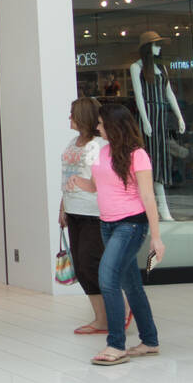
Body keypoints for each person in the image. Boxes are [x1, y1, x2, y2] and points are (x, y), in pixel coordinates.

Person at [72, 103, 164, 365]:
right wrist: (79, 183)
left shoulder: (138, 155)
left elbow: (148, 196)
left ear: (114, 125)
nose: (98, 127)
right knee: (131, 286)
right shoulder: (102, 152)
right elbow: (97, 186)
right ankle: (149, 341)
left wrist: (156, 238)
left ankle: (116, 345)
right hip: (107, 224)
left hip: (131, 225)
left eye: (101, 123)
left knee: (107, 278)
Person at [59, 97, 129, 335]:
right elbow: (69, 175)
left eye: (72, 113)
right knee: (81, 267)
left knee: (93, 263)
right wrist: (63, 206)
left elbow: (102, 179)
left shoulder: (99, 145)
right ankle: (101, 319)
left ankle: (122, 309)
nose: (69, 118)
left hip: (93, 212)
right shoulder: (72, 142)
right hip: (74, 210)